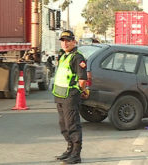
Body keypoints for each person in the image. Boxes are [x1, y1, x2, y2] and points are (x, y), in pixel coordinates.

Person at [52, 30, 89, 164]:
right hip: (60, 95)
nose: (65, 43)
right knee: (63, 125)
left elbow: (82, 79)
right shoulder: (63, 56)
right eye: (63, 40)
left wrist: (80, 91)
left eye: (68, 40)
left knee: (72, 125)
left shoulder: (78, 58)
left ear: (74, 41)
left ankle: (76, 154)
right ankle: (69, 149)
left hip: (70, 96)